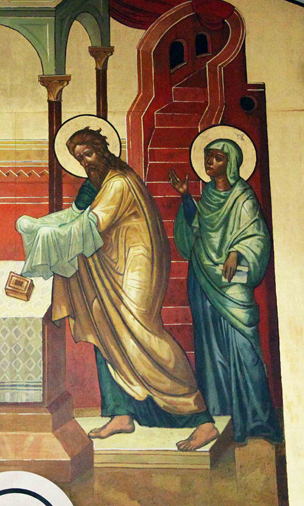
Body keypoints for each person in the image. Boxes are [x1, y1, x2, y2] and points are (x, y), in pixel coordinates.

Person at [22, 126, 218, 450]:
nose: (85, 161)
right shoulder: (96, 185)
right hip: (109, 266)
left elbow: (92, 224)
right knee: (103, 327)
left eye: (88, 154)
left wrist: (48, 235)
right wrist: (40, 225)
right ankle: (121, 413)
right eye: (79, 158)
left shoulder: (118, 183)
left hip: (135, 265)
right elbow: (75, 215)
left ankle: (201, 419)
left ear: (102, 150)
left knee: (144, 334)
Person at [170, 138, 284, 444]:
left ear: (230, 163)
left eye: (217, 158)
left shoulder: (243, 198)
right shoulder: (207, 195)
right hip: (203, 279)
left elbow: (257, 236)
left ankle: (257, 421)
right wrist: (186, 197)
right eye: (208, 157)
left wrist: (237, 251)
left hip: (233, 285)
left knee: (245, 351)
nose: (210, 163)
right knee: (213, 354)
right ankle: (222, 419)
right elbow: (197, 230)